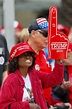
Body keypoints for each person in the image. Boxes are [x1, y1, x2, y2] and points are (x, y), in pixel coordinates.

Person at [0, 42, 64, 109]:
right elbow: (4, 106)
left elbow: (55, 79)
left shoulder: (35, 75)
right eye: (24, 55)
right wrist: (28, 106)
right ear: (16, 59)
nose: (28, 57)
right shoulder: (10, 80)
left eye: (30, 54)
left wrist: (58, 61)